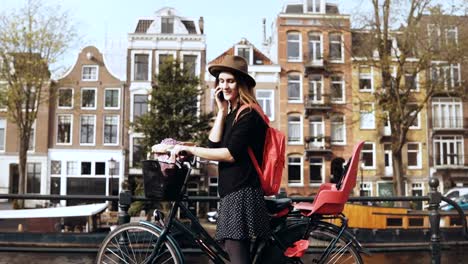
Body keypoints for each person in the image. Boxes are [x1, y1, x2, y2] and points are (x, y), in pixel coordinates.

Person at [157, 55, 271, 264]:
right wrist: (221, 110)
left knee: (237, 259)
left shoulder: (249, 115)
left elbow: (228, 154)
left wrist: (189, 150)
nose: (224, 86)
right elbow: (213, 145)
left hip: (242, 194)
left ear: (241, 84)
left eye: (230, 81)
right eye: (221, 81)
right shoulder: (233, 114)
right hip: (232, 193)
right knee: (226, 255)